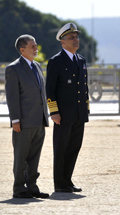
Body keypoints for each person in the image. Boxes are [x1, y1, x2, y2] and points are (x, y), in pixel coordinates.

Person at [46, 23, 89, 193]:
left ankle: (67, 180)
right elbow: (50, 89)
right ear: (62, 42)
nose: (76, 40)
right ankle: (59, 183)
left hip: (79, 113)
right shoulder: (56, 61)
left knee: (74, 147)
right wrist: (54, 112)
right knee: (61, 148)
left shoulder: (81, 60)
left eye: (77, 37)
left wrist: (86, 110)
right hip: (63, 114)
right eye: (71, 38)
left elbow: (84, 88)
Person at [5, 35, 49, 198]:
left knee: (34, 157)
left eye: (36, 44)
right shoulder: (13, 68)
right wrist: (15, 119)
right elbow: (12, 96)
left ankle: (32, 187)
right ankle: (19, 188)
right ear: (22, 49)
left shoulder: (37, 66)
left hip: (39, 120)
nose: (36, 47)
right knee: (21, 157)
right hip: (23, 122)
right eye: (33, 46)